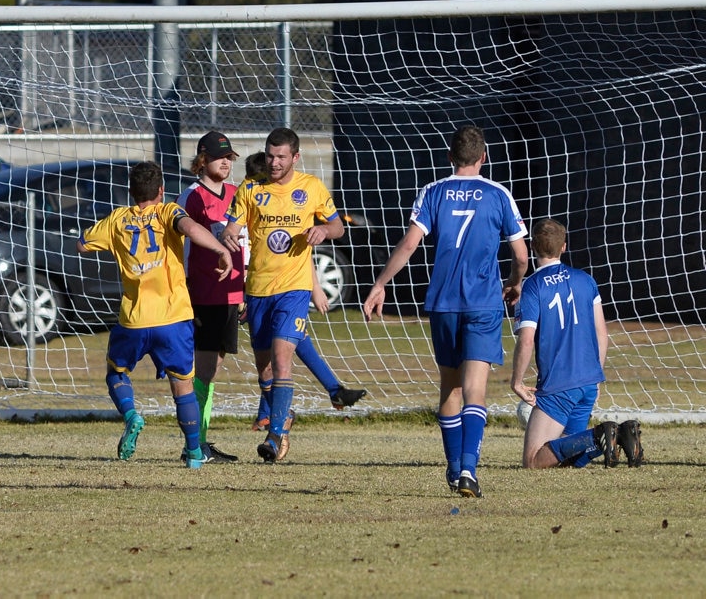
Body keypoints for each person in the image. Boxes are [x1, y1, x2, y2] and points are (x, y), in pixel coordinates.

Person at [362, 124, 529, 498]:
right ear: (484, 157)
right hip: (483, 303)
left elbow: (409, 244)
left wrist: (380, 283)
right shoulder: (499, 194)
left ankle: (455, 470)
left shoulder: (433, 192)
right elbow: (520, 255)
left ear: (450, 157)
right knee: (475, 390)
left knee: (450, 388)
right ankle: (468, 469)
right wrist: (516, 283)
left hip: (443, 304)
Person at [78, 160, 233, 469]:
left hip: (134, 319)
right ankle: (193, 453)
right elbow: (189, 227)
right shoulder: (168, 212)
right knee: (182, 385)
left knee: (116, 373)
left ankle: (132, 414)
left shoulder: (117, 219)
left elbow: (82, 245)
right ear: (162, 191)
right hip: (173, 317)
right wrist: (220, 250)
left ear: (131, 192)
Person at [221, 127, 345, 463]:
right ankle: (284, 417)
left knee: (281, 359)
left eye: (281, 157)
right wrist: (230, 234)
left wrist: (323, 229)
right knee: (264, 371)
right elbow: (232, 225)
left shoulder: (311, 188)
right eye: (270, 156)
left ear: (295, 157)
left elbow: (338, 227)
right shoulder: (251, 188)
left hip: (294, 288)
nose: (274, 163)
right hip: (259, 289)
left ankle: (275, 437)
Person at [242, 151, 367, 434]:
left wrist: (316, 288)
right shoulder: (248, 204)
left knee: (284, 351)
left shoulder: (290, 200)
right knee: (277, 354)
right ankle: (329, 391)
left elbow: (299, 252)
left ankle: (272, 416)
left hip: (286, 290)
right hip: (257, 291)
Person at [511, 218, 643, 469]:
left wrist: (516, 381)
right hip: (588, 381)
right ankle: (620, 435)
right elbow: (601, 333)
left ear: (532, 247)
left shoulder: (532, 287)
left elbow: (526, 340)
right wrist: (597, 375)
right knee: (569, 454)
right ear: (563, 247)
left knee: (532, 462)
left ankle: (599, 435)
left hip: (559, 384)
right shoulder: (585, 280)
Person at [177, 131, 245, 463]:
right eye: (219, 157)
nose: (226, 162)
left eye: (229, 157)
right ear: (202, 159)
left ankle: (200, 439)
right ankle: (195, 443)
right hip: (203, 293)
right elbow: (183, 246)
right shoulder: (190, 197)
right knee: (204, 369)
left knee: (213, 366)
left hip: (232, 294)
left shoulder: (237, 194)